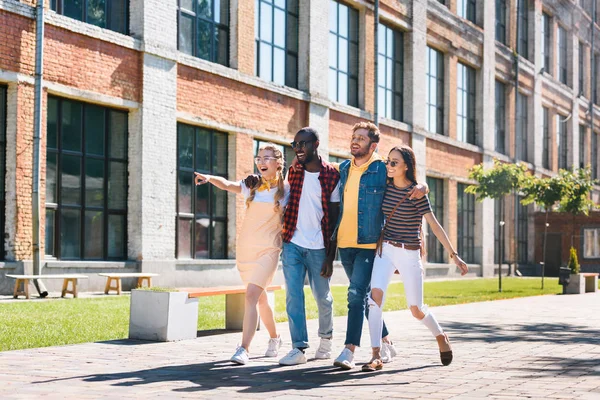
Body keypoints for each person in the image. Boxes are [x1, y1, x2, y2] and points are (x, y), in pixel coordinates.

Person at [362, 145, 468, 372]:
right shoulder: (385, 187)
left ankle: (441, 337)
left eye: (394, 162)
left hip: (409, 253)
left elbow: (435, 226)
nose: (388, 166)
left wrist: (454, 255)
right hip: (386, 250)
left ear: (406, 167)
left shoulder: (417, 193)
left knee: (416, 309)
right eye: (388, 161)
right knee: (374, 300)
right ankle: (375, 355)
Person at [331, 122, 428, 370]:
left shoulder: (381, 169)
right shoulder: (343, 168)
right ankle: (386, 341)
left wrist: (423, 186)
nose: (355, 141)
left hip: (370, 244)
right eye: (354, 137)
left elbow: (408, 184)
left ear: (373, 145)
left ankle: (349, 350)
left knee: (354, 295)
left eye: (361, 138)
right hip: (345, 243)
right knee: (363, 296)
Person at [194, 143, 289, 365]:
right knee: (261, 299)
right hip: (246, 250)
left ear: (278, 163)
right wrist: (209, 178)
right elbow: (227, 184)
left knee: (251, 296)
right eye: (259, 158)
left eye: (267, 158)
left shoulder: (287, 190)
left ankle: (243, 348)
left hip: (269, 250)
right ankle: (275, 338)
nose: (262, 162)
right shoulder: (252, 187)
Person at [277, 127, 341, 366]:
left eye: (303, 144)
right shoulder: (293, 172)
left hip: (319, 247)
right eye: (295, 145)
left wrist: (330, 257)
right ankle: (299, 348)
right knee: (293, 296)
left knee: (323, 297)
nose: (299, 149)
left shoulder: (331, 177)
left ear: (316, 144)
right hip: (292, 243)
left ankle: (326, 340)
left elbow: (334, 219)